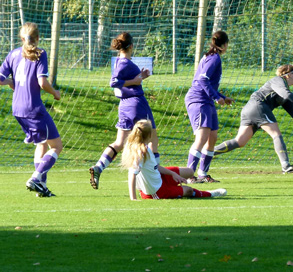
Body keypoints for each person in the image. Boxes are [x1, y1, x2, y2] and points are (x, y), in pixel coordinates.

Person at [214, 64, 293, 173]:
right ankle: (286, 166)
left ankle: (208, 153)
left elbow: (292, 110)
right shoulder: (278, 81)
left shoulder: (283, 89)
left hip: (249, 110)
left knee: (240, 141)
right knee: (276, 135)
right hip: (258, 107)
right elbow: (287, 94)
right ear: (289, 75)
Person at [89, 32, 159, 189]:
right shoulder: (124, 63)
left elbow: (126, 82)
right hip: (137, 104)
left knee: (120, 142)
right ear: (132, 46)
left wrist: (140, 77)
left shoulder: (119, 62)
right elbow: (114, 82)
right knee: (151, 139)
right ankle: (156, 178)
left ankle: (99, 167)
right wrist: (135, 80)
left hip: (124, 106)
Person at [0, 22, 62, 197]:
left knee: (41, 143)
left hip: (17, 108)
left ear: (21, 38)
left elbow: (0, 78)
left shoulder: (13, 54)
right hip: (33, 108)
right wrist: (55, 93)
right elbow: (42, 82)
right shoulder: (39, 54)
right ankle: (35, 178)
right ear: (38, 38)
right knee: (56, 146)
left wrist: (12, 83)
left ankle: (41, 187)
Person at [121, 120, 227, 200]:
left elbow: (155, 166)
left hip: (159, 177)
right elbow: (132, 173)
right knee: (188, 190)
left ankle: (173, 185)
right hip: (156, 190)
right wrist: (133, 198)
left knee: (189, 172)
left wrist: (172, 174)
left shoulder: (145, 147)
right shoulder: (140, 151)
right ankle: (210, 193)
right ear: (149, 135)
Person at [184, 31, 234, 183]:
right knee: (202, 138)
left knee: (212, 138)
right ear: (225, 45)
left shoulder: (211, 56)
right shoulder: (214, 59)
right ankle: (189, 175)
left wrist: (223, 97)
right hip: (199, 100)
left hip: (206, 101)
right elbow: (202, 80)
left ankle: (203, 174)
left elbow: (208, 82)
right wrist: (217, 97)